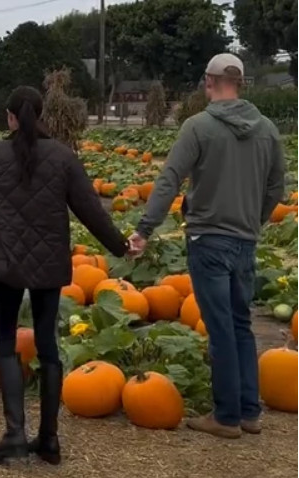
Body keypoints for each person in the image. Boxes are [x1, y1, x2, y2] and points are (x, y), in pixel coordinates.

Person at [0, 86, 129, 466]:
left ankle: (14, 434)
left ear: (10, 117)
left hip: (7, 262)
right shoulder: (62, 156)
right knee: (47, 346)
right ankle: (49, 440)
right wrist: (120, 246)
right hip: (49, 263)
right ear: (40, 115)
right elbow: (91, 210)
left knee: (5, 342)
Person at [129, 53, 285, 438]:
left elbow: (169, 179)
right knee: (241, 323)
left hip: (208, 239)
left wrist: (145, 228)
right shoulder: (267, 129)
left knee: (220, 328)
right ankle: (249, 412)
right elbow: (276, 187)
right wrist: (255, 220)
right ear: (241, 83)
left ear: (208, 81)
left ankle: (227, 417)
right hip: (245, 241)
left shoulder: (198, 126)